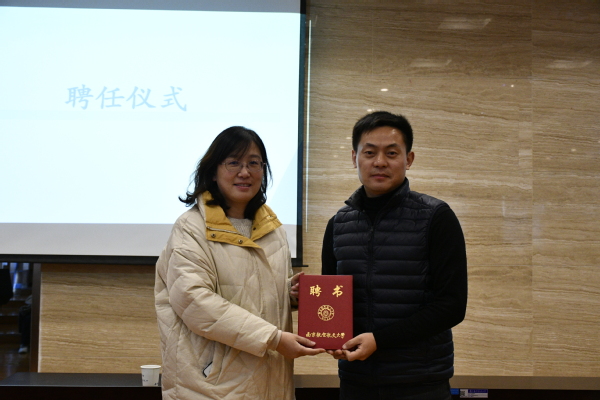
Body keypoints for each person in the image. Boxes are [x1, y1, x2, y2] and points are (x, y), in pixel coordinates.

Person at [155, 126, 324, 400]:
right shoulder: (191, 228)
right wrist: (273, 338)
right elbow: (193, 300)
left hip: (271, 380)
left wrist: (290, 293)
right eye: (233, 163)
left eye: (254, 163)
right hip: (211, 386)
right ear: (213, 171)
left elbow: (252, 290)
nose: (245, 172)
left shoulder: (272, 229)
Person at [321, 111, 468, 400]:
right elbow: (333, 299)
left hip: (420, 382)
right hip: (356, 381)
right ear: (354, 158)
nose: (379, 162)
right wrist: (332, 334)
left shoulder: (436, 217)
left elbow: (452, 305)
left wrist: (380, 340)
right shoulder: (338, 224)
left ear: (408, 159)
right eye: (369, 153)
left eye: (391, 153)